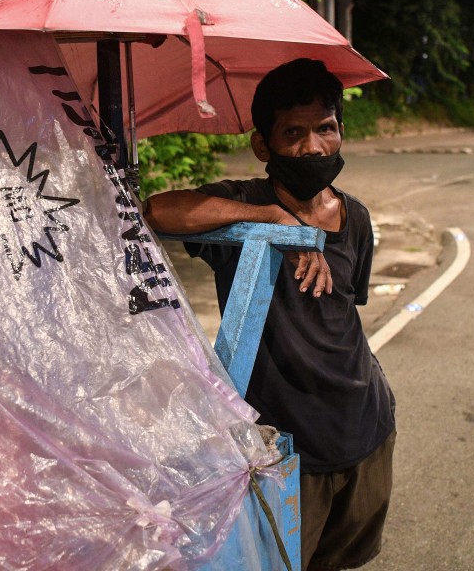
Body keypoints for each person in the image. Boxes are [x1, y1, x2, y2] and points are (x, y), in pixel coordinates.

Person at [143, 58, 396, 570]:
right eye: (293, 133)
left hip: (366, 426)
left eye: (326, 128)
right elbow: (158, 211)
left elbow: (348, 316)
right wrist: (274, 222)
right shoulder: (243, 204)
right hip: (285, 450)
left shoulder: (355, 217)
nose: (313, 147)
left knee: (343, 560)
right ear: (264, 146)